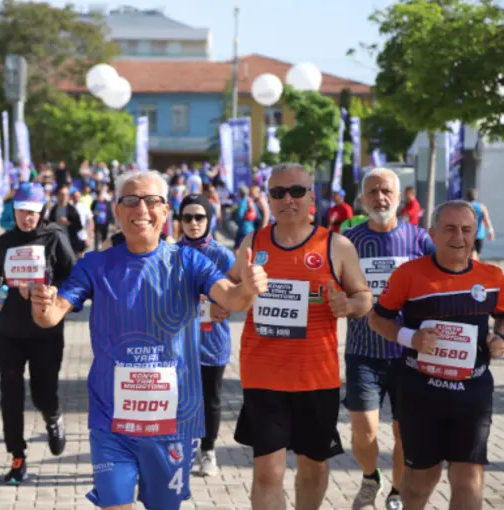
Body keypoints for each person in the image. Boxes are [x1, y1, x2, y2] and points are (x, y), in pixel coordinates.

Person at [29, 170, 268, 510]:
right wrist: (42, 306)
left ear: (166, 211)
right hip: (111, 419)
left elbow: (230, 299)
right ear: (117, 211)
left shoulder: (188, 261)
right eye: (130, 200)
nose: (141, 208)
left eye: (152, 200)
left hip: (171, 420)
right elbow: (51, 315)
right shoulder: (95, 264)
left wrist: (248, 288)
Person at [230, 163, 372, 510]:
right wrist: (236, 294)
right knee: (266, 473)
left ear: (312, 197)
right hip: (263, 374)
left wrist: (348, 304)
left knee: (313, 468)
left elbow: (365, 298)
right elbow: (229, 288)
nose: (287, 199)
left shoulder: (336, 245)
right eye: (278, 193)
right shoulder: (254, 241)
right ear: (269, 199)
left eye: (296, 191)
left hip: (315, 377)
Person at [368, 200, 504, 510]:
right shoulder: (409, 274)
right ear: (432, 234)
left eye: (467, 229)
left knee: (469, 480)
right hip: (421, 392)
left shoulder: (493, 277)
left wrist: (501, 338)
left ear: (475, 233)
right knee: (419, 484)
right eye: (450, 229)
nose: (459, 236)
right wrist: (410, 337)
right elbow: (378, 318)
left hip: (473, 392)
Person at [343, 168, 436, 510]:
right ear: (362, 198)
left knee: (403, 433)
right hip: (362, 351)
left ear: (399, 197)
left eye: (386, 191)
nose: (380, 198)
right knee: (363, 432)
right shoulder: (350, 241)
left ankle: (397, 492)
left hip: (409, 352)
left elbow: (442, 280)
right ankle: (371, 477)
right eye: (372, 192)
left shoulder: (420, 239)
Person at [0, 182, 77, 485]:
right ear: (14, 210)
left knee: (42, 394)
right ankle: (17, 457)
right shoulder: (5, 241)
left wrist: (54, 291)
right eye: (22, 211)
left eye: (34, 212)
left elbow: (75, 279)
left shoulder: (54, 237)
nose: (28, 218)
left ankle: (53, 416)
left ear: (42, 211)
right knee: (10, 396)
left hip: (45, 331)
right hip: (8, 331)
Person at [177, 194, 235, 477]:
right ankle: (183, 449)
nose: (193, 223)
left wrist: (219, 305)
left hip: (212, 341)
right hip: (179, 341)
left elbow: (237, 297)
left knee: (210, 398)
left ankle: (208, 450)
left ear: (209, 219)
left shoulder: (222, 255)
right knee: (183, 397)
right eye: (187, 217)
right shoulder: (171, 253)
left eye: (199, 217)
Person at [48, 186, 83, 254]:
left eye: (66, 195)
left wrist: (68, 223)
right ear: (57, 196)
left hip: (70, 242)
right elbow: (49, 225)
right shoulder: (54, 209)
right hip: (57, 242)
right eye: (62, 194)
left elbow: (79, 226)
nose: (64, 197)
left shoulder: (72, 209)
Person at [466, 189, 494, 260]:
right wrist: (491, 231)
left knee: (472, 254)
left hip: (468, 234)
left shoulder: (465, 207)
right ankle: (475, 267)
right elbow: (487, 219)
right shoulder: (482, 207)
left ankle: (474, 267)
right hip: (479, 234)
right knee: (476, 254)